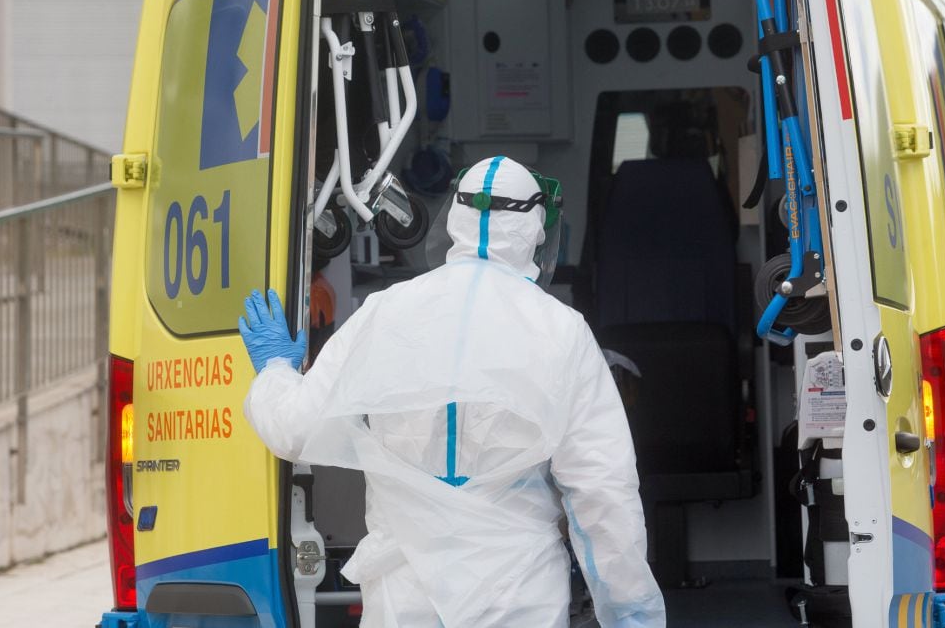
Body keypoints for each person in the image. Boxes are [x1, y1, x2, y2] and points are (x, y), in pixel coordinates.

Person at [239, 156, 665, 628]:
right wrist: (631, 617)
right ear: (535, 228)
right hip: (518, 600)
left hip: (404, 601)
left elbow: (296, 429)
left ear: (455, 218)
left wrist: (276, 369)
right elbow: (603, 496)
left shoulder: (386, 312)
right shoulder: (562, 331)